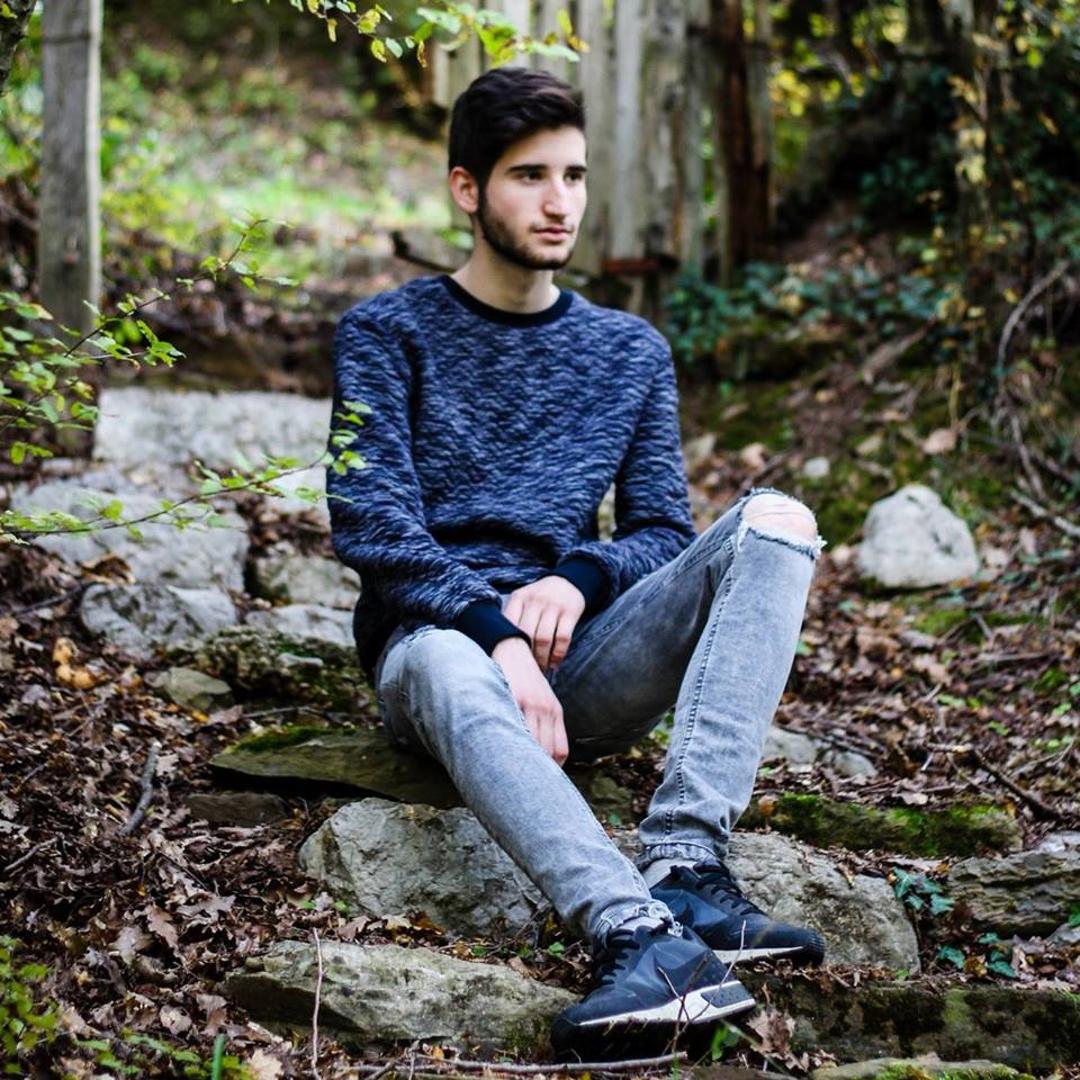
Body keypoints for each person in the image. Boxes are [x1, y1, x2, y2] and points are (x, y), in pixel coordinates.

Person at [326, 65, 826, 1056]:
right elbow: (372, 525)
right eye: (529, 176)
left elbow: (662, 531)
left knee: (777, 520)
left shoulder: (628, 351)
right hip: (438, 651)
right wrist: (495, 632)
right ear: (467, 188)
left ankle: (688, 867)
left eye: (574, 175)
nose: (560, 202)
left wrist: (575, 578)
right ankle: (639, 938)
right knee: (448, 659)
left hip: (581, 661)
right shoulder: (385, 333)